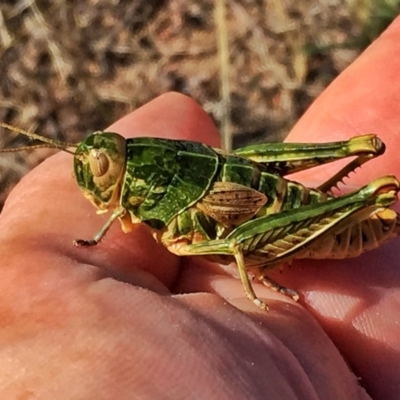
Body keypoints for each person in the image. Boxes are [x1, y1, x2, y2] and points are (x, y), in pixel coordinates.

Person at [1, 18, 400, 400]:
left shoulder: (166, 200)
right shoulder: (151, 179)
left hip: (298, 225)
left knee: (237, 243)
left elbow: (235, 244)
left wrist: (253, 293)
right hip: (245, 198)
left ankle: (363, 204)